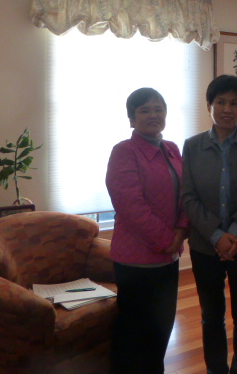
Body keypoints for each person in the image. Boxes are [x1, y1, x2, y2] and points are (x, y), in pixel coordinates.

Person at [182, 75, 237, 374]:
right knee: (211, 315)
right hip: (205, 246)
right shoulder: (192, 146)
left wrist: (233, 233)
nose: (227, 109)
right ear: (209, 105)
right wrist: (217, 235)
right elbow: (188, 197)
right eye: (220, 102)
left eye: (234, 103)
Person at [106, 87, 189, 374]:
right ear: (132, 119)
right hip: (136, 261)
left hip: (168, 259)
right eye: (144, 110)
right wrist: (168, 240)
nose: (153, 115)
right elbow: (131, 206)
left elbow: (186, 194)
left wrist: (181, 230)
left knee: (161, 329)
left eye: (158, 109)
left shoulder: (172, 149)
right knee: (134, 333)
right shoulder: (124, 152)